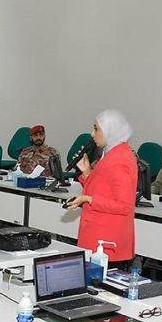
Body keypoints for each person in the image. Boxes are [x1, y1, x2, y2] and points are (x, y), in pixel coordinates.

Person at [65, 110, 138, 268]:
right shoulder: (111, 153)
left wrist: (88, 199)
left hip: (107, 242)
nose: (92, 134)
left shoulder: (119, 160)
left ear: (110, 130)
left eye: (96, 129)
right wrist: (87, 172)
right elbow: (103, 188)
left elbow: (124, 205)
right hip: (97, 237)